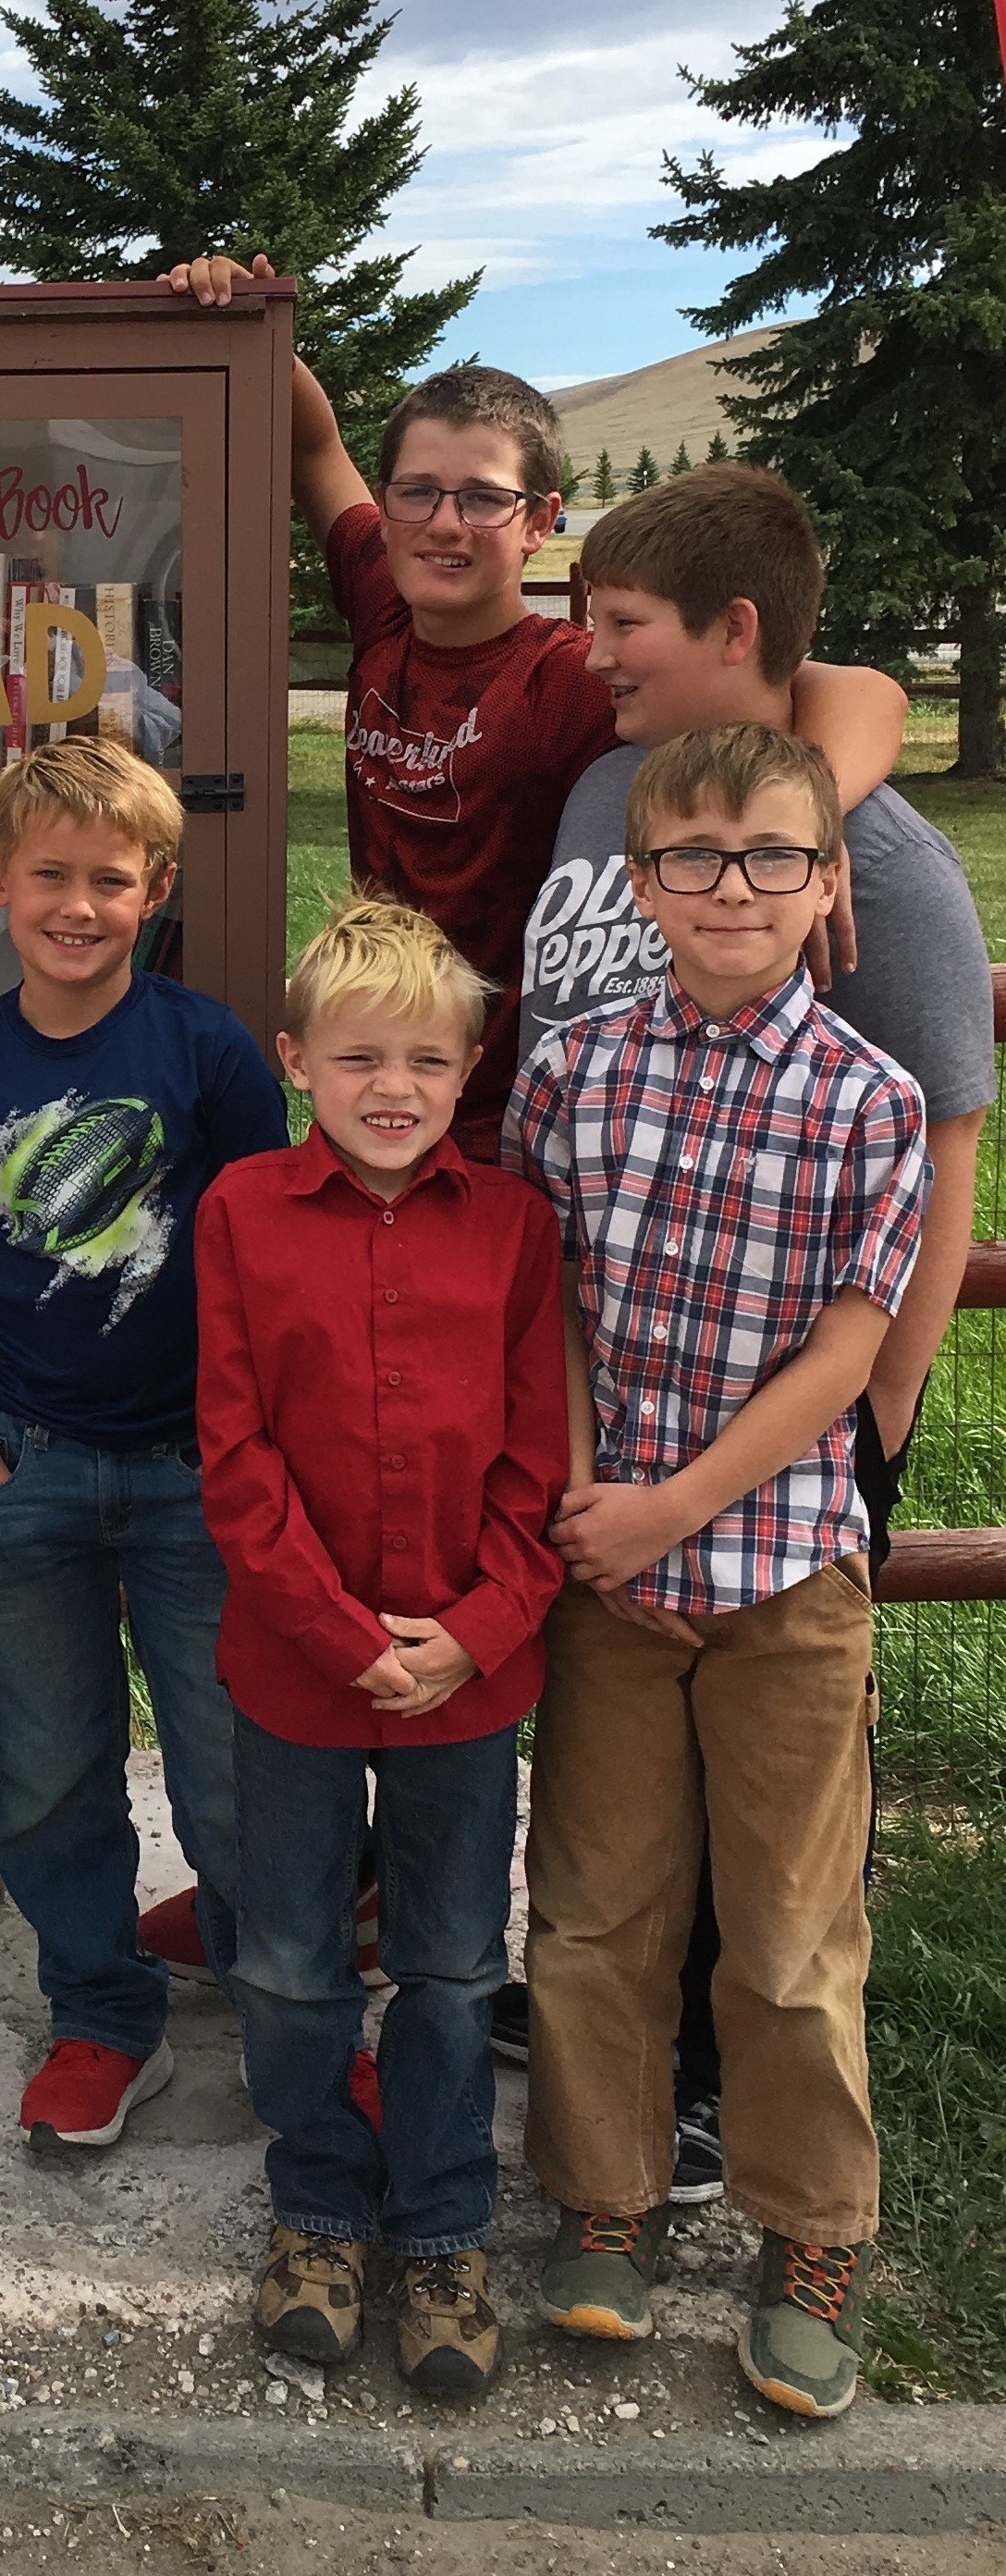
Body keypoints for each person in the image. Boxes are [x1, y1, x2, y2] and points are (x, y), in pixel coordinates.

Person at [505, 461, 997, 2193]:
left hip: (790, 1411)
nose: (592, 658)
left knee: (769, 1809)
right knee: (612, 1770)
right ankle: (612, 2045)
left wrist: (867, 1435)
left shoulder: (884, 866)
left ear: (732, 632)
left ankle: (728, 2084)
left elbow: (940, 1156)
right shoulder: (601, 795)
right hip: (608, 1376)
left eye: (621, 626)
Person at [506, 722, 926, 2424]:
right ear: (641, 883)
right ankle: (604, 2195)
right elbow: (547, 1305)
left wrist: (677, 1504)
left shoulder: (867, 1098)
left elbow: (846, 1351)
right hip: (609, 1566)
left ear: (823, 883)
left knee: (787, 1929)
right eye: (690, 857)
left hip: (783, 1575)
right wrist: (596, 1496)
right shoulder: (570, 1074)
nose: (728, 886)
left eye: (767, 856)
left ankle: (808, 2229)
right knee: (597, 1905)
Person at [159, 255, 911, 1152]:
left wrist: (815, 814)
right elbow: (315, 446)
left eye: (483, 497)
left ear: (540, 518)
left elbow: (853, 688)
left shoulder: (575, 676)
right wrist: (239, 310)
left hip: (504, 1106)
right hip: (371, 1084)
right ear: (389, 504)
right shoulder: (383, 594)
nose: (444, 522)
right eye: (418, 490)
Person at [0, 734, 290, 2150]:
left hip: (197, 1474)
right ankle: (100, 2013)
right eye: (48, 874)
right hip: (30, 1463)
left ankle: (286, 2007)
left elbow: (273, 1263)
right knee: (50, 1771)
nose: (77, 903)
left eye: (109, 879)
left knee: (236, 1764)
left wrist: (247, 1449)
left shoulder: (208, 1050)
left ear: (157, 888)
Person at [196, 897, 567, 2400]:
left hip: (469, 1678)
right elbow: (231, 1452)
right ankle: (317, 2205)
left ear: (471, 1066)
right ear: (296, 1059)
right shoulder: (239, 1213)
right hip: (295, 1669)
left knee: (449, 1958)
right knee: (288, 1960)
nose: (393, 1086)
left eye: (426, 1056)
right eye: (358, 1057)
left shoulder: (515, 1228)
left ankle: (442, 2225)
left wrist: (468, 1632)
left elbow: (540, 1458)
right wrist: (344, 1636)